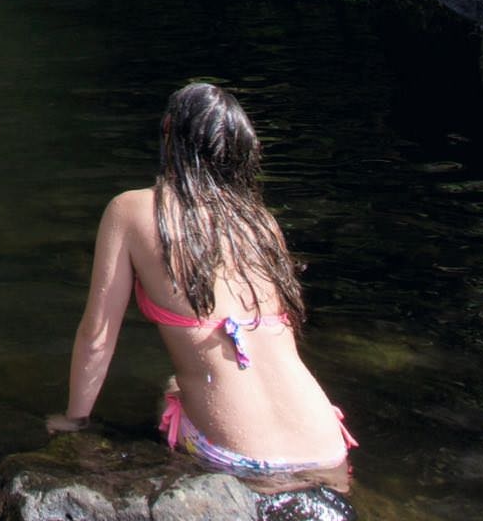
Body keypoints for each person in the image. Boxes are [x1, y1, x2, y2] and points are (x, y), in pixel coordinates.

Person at [51, 79, 350, 476]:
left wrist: (75, 423)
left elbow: (98, 335)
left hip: (238, 457)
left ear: (169, 131)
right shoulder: (261, 223)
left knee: (174, 387)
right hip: (327, 445)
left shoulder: (131, 210)